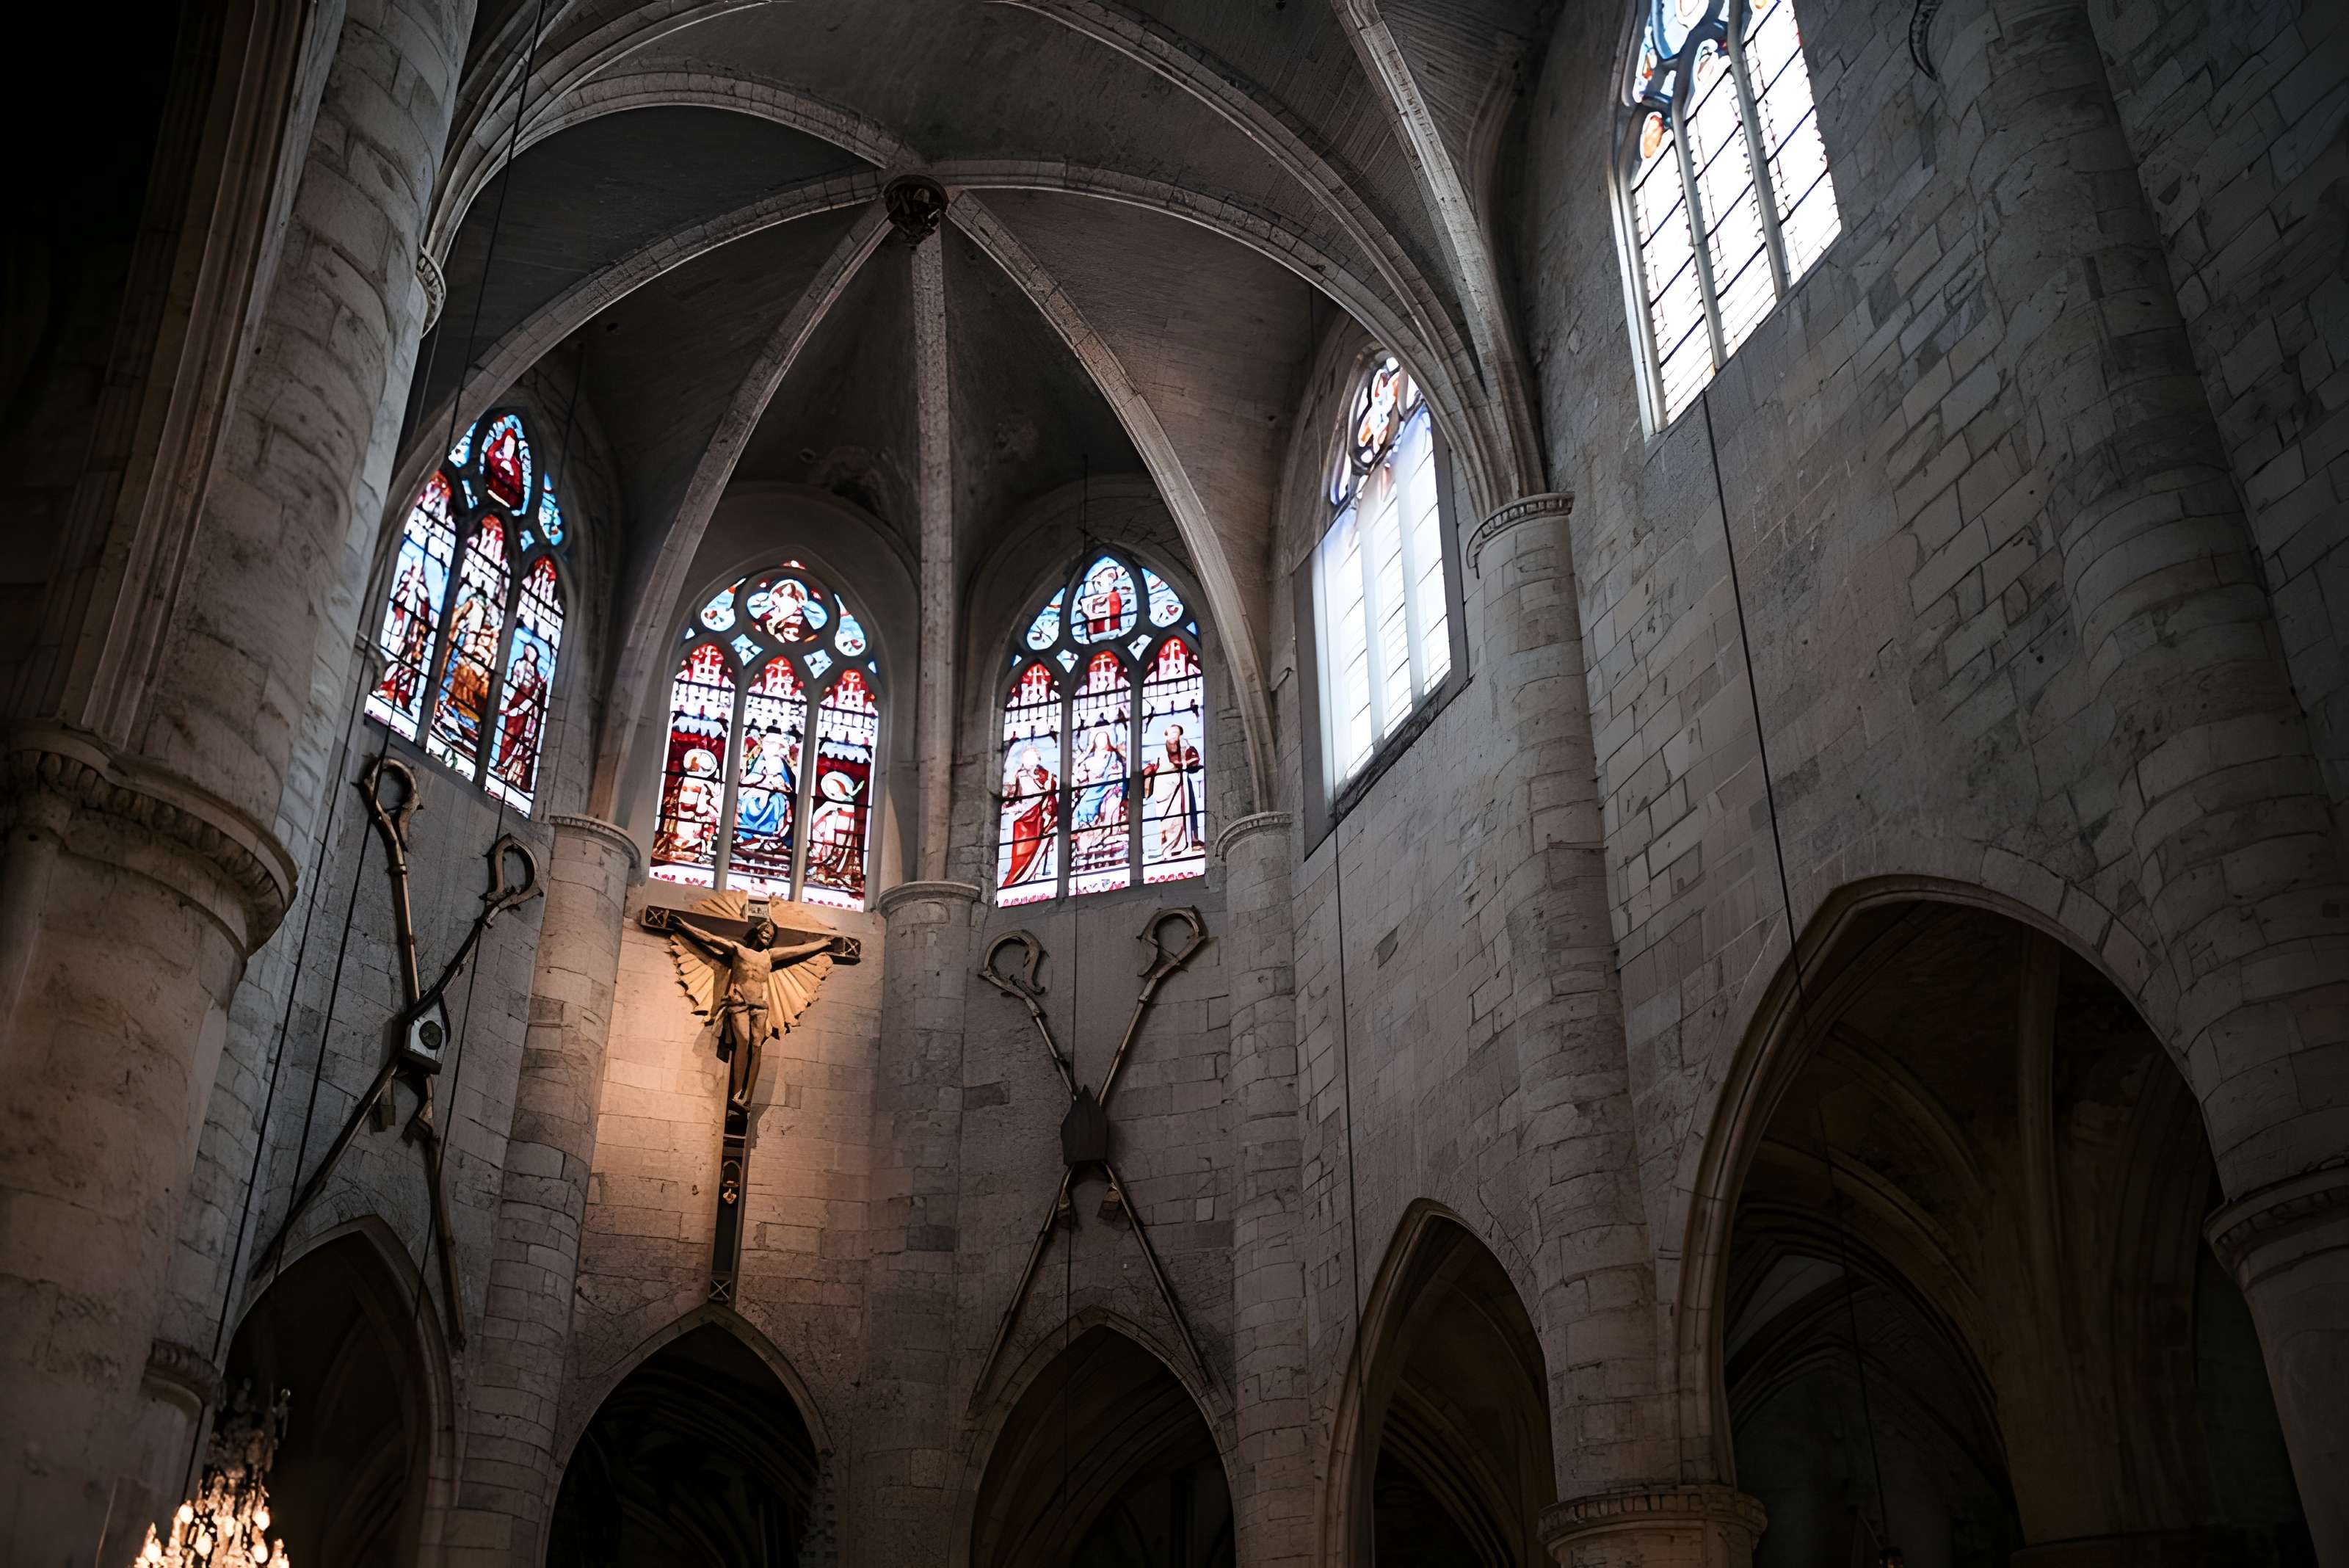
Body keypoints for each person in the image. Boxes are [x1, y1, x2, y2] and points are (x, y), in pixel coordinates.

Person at [1141, 721, 1202, 858]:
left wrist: (1188, 755)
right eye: (1172, 732)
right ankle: (1169, 847)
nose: (1175, 735)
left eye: (1177, 733)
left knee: (1182, 815)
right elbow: (1154, 765)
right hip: (1163, 787)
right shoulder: (1160, 751)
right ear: (1166, 735)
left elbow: (1191, 761)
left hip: (1179, 785)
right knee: (1167, 818)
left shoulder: (1184, 746)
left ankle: (1183, 845)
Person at [1001, 743, 1057, 888]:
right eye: (1026, 758)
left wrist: (1046, 812)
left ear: (1038, 760)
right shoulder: (1020, 775)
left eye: (1031, 758)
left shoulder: (1045, 775)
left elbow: (1050, 795)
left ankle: (1028, 873)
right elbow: (1017, 795)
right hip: (1025, 811)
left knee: (1032, 832)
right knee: (1016, 825)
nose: (1028, 762)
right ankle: (1016, 873)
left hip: (1038, 811)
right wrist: (1008, 806)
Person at [493, 642, 545, 786]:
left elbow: (534, 697)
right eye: (529, 653)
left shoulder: (537, 677)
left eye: (533, 654)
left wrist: (522, 709)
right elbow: (514, 683)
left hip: (523, 710)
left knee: (516, 738)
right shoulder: (519, 664)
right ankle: (500, 762)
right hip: (514, 703)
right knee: (506, 736)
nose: (530, 656)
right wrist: (505, 703)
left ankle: (505, 766)